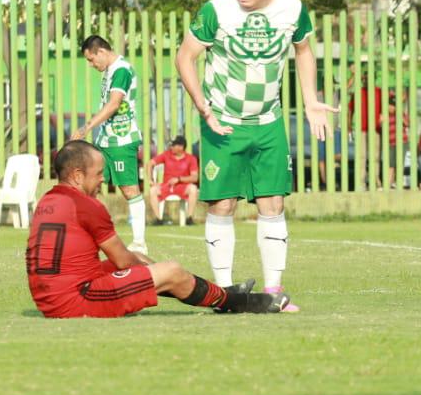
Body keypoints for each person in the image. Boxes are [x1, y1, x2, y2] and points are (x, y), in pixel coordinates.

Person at [175, 0, 335, 312]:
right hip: (223, 124)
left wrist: (311, 100)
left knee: (273, 202)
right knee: (222, 204)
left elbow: (304, 50)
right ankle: (226, 293)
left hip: (268, 123)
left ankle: (274, 290)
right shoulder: (216, 10)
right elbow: (186, 57)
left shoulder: (293, 9)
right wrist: (203, 107)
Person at [26, 140, 286, 318]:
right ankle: (234, 302)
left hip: (50, 298)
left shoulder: (47, 200)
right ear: (78, 175)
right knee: (170, 270)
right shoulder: (87, 205)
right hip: (76, 300)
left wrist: (157, 277)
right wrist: (168, 278)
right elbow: (122, 261)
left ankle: (214, 294)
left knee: (148, 263)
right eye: (99, 173)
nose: (104, 179)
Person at [77, 36, 148, 254]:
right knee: (89, 186)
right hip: (104, 140)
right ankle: (89, 237)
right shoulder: (109, 71)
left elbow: (115, 103)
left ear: (100, 52)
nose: (91, 65)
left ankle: (139, 243)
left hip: (121, 139)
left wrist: (86, 127)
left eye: (91, 59)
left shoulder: (122, 70)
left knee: (129, 190)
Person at [147, 134, 200, 224]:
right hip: (166, 186)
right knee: (152, 190)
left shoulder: (191, 159)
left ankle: (189, 218)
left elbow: (194, 177)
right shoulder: (166, 155)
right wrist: (150, 180)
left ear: (181, 147)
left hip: (182, 186)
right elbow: (150, 163)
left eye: (173, 145)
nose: (171, 147)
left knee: (193, 189)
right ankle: (158, 219)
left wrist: (179, 179)